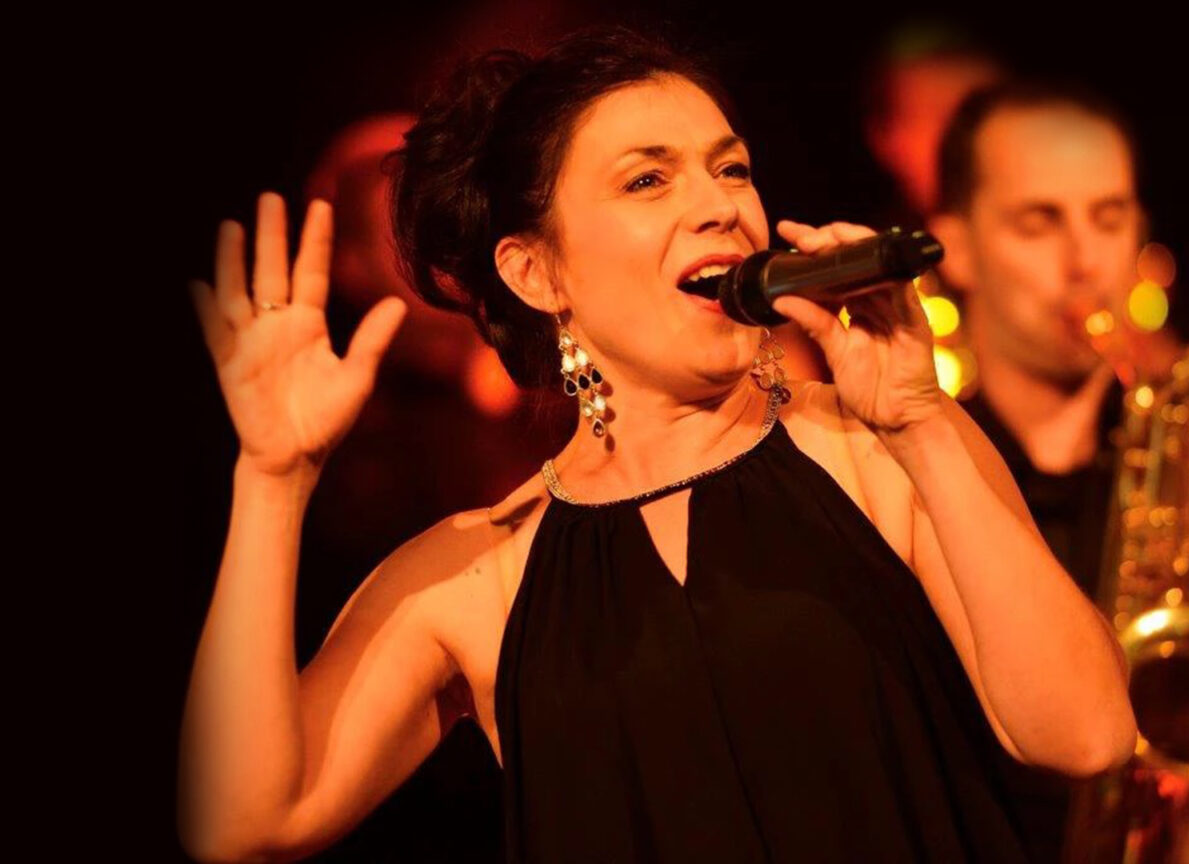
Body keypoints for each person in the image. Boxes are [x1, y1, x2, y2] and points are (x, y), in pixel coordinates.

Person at [177, 25, 1138, 863]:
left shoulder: (876, 447)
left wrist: (922, 422)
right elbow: (242, 820)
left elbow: (1086, 735)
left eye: (732, 168)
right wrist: (272, 479)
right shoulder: (478, 576)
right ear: (536, 272)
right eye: (648, 179)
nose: (721, 205)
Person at [925, 78, 1189, 863]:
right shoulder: (919, 474)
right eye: (1039, 222)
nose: (1086, 263)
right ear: (958, 247)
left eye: (1108, 218)